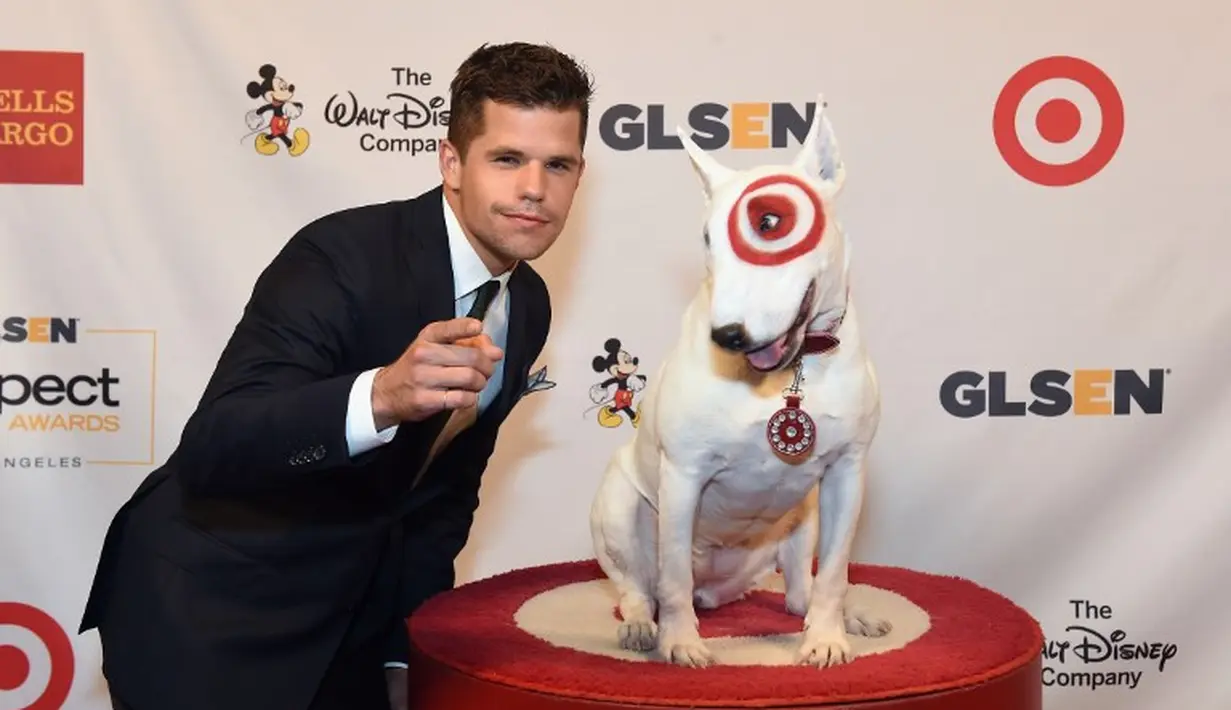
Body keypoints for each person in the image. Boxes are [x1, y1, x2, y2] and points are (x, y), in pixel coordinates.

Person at [78, 41, 594, 710]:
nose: (534, 188)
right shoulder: (341, 255)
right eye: (506, 158)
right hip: (211, 618)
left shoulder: (525, 304)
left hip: (350, 630)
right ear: (451, 163)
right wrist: (380, 396)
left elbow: (438, 497)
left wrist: (405, 649)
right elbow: (218, 444)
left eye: (558, 164)